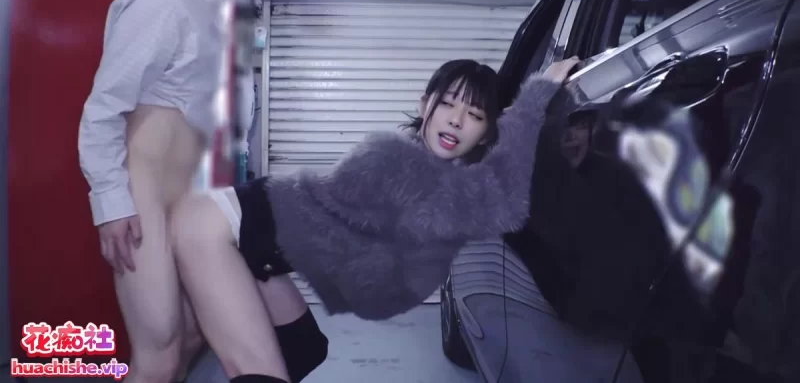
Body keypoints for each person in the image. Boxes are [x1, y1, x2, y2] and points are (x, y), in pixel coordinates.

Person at [168, 57, 581, 383]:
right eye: (447, 104)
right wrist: (536, 95)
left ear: (486, 131)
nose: (456, 119)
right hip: (221, 226)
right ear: (425, 106)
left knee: (303, 348)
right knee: (251, 372)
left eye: (474, 114)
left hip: (256, 248)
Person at [76, 0, 316, 382]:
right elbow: (105, 106)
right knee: (160, 352)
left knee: (188, 340)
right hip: (145, 193)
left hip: (195, 198)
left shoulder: (222, 15)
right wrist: (111, 201)